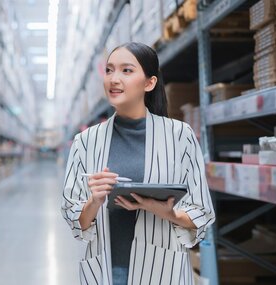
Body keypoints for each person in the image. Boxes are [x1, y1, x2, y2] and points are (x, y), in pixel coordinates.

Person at [61, 42, 215, 285]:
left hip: (163, 269)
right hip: (109, 270)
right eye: (109, 70)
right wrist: (94, 201)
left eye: (126, 70)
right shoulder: (85, 141)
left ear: (149, 82)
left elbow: (202, 212)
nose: (114, 78)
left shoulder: (179, 136)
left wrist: (167, 212)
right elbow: (75, 218)